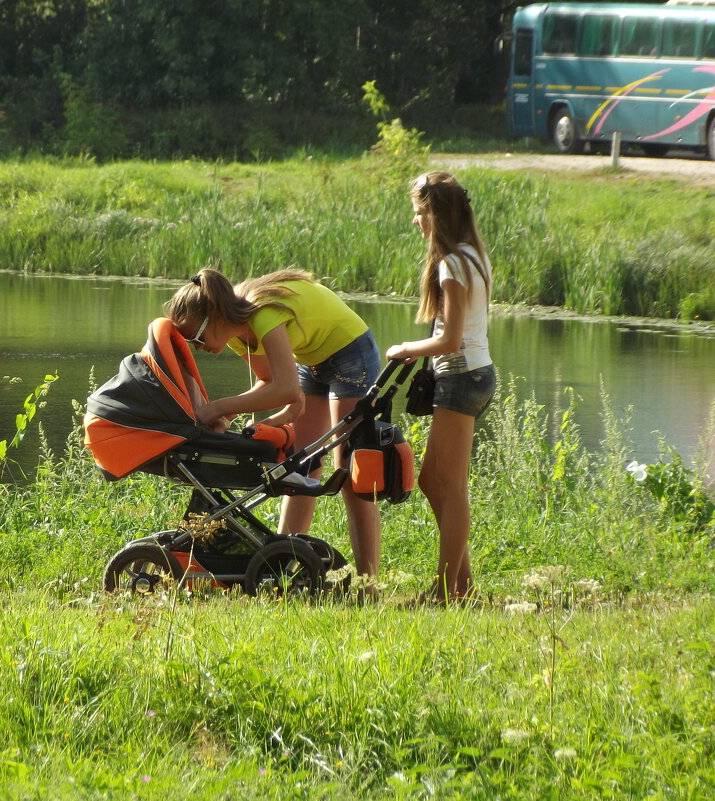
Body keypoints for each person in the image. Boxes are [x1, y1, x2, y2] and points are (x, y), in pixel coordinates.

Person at [165, 268, 383, 582]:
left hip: (351, 353)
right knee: (299, 467)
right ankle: (282, 564)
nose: (195, 346)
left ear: (213, 315)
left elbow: (284, 389)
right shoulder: (234, 333)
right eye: (188, 341)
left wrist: (216, 408)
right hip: (311, 359)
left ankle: (368, 582)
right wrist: (224, 415)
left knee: (350, 470)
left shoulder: (261, 315)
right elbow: (270, 380)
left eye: (195, 337)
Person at [386, 171, 495, 604]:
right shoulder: (473, 255)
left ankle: (448, 591)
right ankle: (461, 585)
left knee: (448, 485)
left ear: (436, 214)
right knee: (434, 481)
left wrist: (406, 347)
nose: (416, 222)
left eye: (419, 214)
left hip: (461, 376)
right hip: (473, 374)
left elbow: (450, 339)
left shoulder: (452, 264)